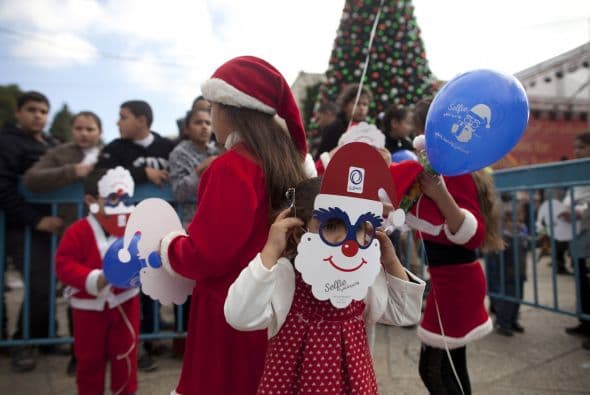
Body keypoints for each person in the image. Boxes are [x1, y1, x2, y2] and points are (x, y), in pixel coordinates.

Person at [158, 56, 309, 395]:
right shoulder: (283, 163)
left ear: (228, 110)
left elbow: (206, 254)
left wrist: (168, 245)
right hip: (272, 304)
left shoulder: (231, 167)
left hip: (229, 310)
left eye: (212, 108)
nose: (212, 119)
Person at [224, 176, 425, 393]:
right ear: (298, 231)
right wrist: (270, 251)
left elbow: (406, 313)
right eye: (330, 226)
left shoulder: (363, 275)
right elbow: (239, 316)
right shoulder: (286, 275)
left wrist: (390, 260)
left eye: (357, 227)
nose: (345, 238)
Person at [390, 158, 504, 394]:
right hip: (453, 281)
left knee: (435, 370)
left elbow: (473, 234)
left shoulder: (454, 173)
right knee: (451, 366)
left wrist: (439, 192)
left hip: (456, 285)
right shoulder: (445, 168)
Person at [94, 99, 175, 371]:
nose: (117, 122)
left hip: (161, 228)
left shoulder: (167, 146)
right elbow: (99, 175)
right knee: (129, 286)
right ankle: (134, 344)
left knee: (154, 283)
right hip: (124, 230)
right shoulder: (115, 148)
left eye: (123, 116)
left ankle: (151, 339)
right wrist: (143, 173)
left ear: (142, 120)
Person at [23, 110, 103, 375]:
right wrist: (73, 171)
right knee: (74, 291)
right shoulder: (59, 153)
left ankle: (100, 348)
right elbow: (32, 179)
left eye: (90, 129)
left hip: (104, 234)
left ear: (99, 132)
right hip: (71, 235)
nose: (84, 133)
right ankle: (77, 352)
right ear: (71, 131)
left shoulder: (107, 154)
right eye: (79, 128)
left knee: (105, 291)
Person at [55, 168, 140, 395]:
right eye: (113, 198)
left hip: (125, 303)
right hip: (87, 310)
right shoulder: (77, 231)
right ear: (91, 200)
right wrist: (95, 278)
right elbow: (63, 264)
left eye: (125, 198)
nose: (120, 204)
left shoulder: (131, 229)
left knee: (126, 356)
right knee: (89, 360)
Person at [0, 91, 64, 372]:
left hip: (50, 227)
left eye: (43, 110)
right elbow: (4, 188)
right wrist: (34, 220)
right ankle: (22, 341)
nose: (38, 115)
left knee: (49, 284)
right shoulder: (7, 142)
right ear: (18, 113)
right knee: (39, 285)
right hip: (20, 226)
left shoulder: (53, 144)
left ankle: (45, 337)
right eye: (31, 109)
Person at [561, 131, 590, 348]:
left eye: (581, 147)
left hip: (586, 230)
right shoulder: (576, 172)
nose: (577, 151)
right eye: (576, 147)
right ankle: (584, 319)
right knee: (581, 278)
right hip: (577, 234)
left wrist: (580, 213)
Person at [169, 108, 218, 227]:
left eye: (208, 123)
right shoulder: (179, 153)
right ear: (186, 129)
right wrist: (199, 171)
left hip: (218, 216)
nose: (204, 127)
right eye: (198, 122)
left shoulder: (216, 151)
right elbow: (179, 193)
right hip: (192, 221)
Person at [487, 196, 527, 336]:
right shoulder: (505, 238)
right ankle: (503, 323)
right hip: (509, 274)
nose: (519, 224)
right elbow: (495, 255)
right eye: (516, 221)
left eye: (521, 221)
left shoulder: (520, 236)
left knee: (518, 299)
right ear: (507, 222)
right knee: (509, 300)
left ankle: (513, 320)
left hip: (520, 274)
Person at [314, 84, 372, 158]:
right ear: (345, 106)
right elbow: (321, 158)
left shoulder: (368, 131)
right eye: (356, 103)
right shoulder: (334, 128)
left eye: (365, 104)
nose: (361, 108)